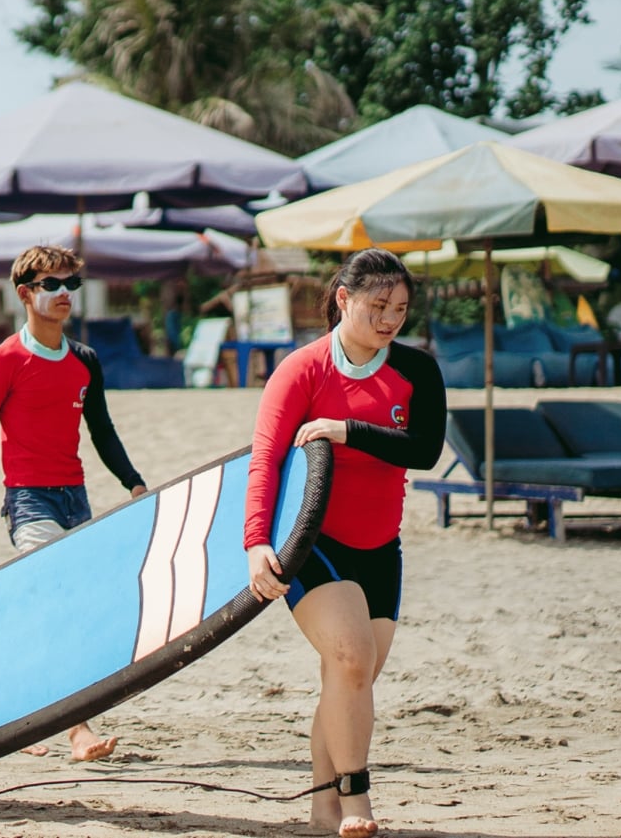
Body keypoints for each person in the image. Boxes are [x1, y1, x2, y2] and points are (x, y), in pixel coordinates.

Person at [244, 248, 446, 838]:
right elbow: (264, 461)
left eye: (401, 309)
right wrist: (258, 542)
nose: (390, 320)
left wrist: (344, 430)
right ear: (344, 300)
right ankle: (356, 799)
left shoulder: (417, 371)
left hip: (382, 548)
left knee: (348, 678)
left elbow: (424, 450)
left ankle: (320, 808)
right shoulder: (301, 370)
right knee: (353, 659)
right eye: (378, 306)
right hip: (315, 543)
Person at [0, 244, 147, 761]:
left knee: (64, 608)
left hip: (76, 500)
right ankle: (78, 729)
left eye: (71, 286)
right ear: (25, 293)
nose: (64, 295)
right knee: (59, 604)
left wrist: (134, 483)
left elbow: (101, 430)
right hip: (29, 501)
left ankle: (19, 705)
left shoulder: (84, 362)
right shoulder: (3, 360)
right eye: (52, 285)